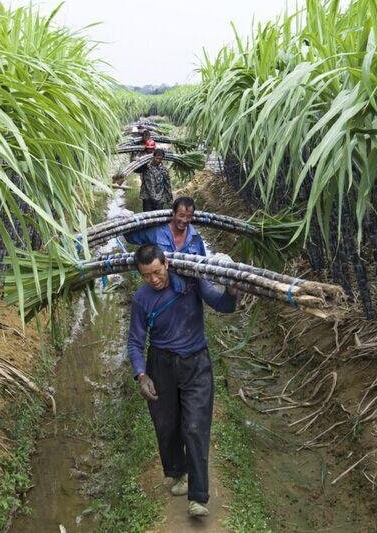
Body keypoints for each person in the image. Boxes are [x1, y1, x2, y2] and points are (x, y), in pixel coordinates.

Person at [127, 244, 239, 518]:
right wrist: (141, 374)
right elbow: (135, 341)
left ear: (166, 263)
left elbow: (223, 305)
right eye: (146, 275)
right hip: (161, 364)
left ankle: (198, 497)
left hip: (195, 362)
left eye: (156, 272)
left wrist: (233, 290)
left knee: (195, 427)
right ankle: (178, 473)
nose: (153, 279)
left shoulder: (191, 282)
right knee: (166, 424)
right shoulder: (141, 299)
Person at [125, 196, 205, 255]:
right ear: (174, 213)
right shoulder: (157, 232)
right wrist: (126, 219)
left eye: (189, 216)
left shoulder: (195, 238)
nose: (184, 220)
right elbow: (131, 237)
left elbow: (202, 262)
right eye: (181, 215)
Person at [135, 148, 173, 212]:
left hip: (160, 197)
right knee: (147, 216)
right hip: (147, 197)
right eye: (157, 158)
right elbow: (136, 170)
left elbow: (167, 184)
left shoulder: (164, 169)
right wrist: (136, 159)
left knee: (158, 215)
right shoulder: (146, 167)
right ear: (153, 156)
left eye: (160, 159)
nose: (158, 160)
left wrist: (170, 199)